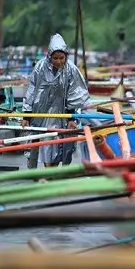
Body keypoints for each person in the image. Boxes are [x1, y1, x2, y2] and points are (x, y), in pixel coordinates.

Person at [21, 33, 90, 168]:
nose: (59, 61)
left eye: (61, 58)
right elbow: (31, 90)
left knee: (61, 145)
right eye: (55, 58)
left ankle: (53, 172)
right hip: (41, 112)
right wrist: (26, 115)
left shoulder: (71, 69)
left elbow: (75, 92)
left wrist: (71, 117)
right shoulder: (40, 67)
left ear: (66, 56)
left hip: (62, 114)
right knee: (44, 142)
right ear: (50, 57)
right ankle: (46, 172)